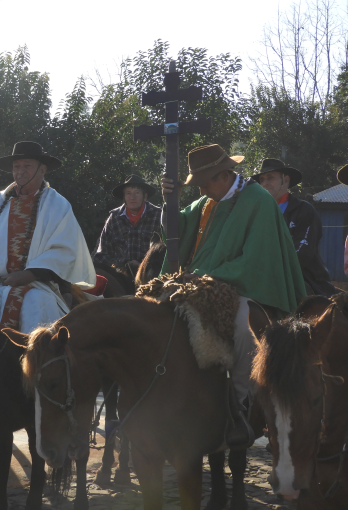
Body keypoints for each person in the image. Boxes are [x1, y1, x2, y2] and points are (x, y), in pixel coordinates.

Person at [161, 144, 306, 444]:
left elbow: (255, 261)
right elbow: (174, 232)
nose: (200, 189)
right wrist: (169, 202)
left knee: (243, 326)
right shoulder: (206, 202)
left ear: (224, 175)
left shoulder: (258, 201)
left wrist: (205, 276)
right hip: (197, 283)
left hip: (246, 286)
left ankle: (243, 406)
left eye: (204, 183)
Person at [0, 141, 96, 334]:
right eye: (16, 167)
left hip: (38, 285)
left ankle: (37, 361)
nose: (20, 171)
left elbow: (65, 250)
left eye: (27, 166)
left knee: (37, 303)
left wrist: (30, 274)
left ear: (42, 170)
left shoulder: (58, 205)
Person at [253, 158, 336, 296]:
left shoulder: (304, 210)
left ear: (285, 180)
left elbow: (303, 251)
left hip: (304, 279)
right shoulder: (256, 212)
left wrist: (272, 272)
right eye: (262, 179)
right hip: (261, 277)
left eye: (270, 178)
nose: (265, 183)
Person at [94, 174, 161, 275]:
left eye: (137, 193)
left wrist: (142, 266)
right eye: (128, 193)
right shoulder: (114, 218)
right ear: (124, 197)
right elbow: (101, 255)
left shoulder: (159, 215)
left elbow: (167, 251)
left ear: (145, 196)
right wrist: (121, 266)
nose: (132, 197)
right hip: (120, 275)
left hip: (151, 274)